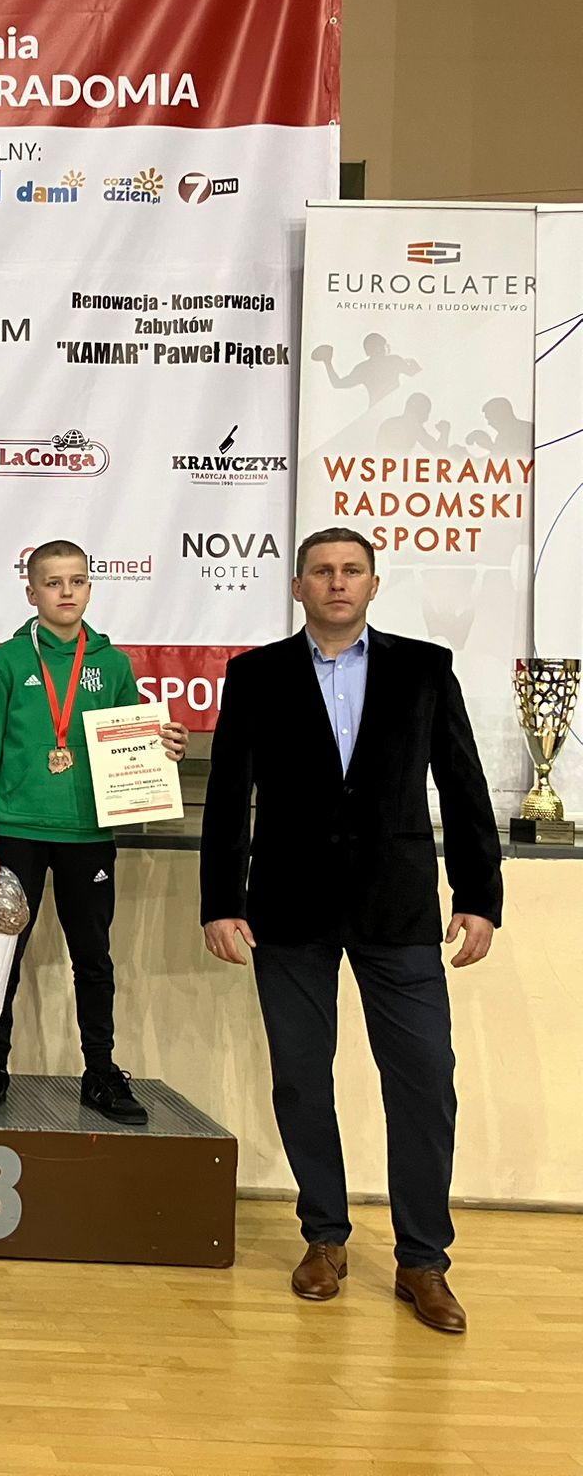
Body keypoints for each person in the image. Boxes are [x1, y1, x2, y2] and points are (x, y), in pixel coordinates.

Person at [200, 527, 501, 1334]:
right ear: (299, 586)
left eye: (352, 571)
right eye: (322, 572)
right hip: (287, 906)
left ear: (373, 583)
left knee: (426, 1081)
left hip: (397, 908)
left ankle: (423, 1260)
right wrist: (220, 902)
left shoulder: (425, 669)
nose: (337, 583)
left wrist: (479, 896)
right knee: (302, 1077)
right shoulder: (256, 675)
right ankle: (324, 1238)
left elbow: (464, 785)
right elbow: (228, 797)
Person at [0, 540, 188, 1124]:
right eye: (53, 582)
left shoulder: (112, 665)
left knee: (93, 957)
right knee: (1, 958)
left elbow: (132, 740)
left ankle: (100, 1072)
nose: (66, 592)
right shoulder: (7, 661)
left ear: (90, 587)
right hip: (15, 833)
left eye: (77, 581)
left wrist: (164, 747)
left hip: (88, 835)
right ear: (31, 592)